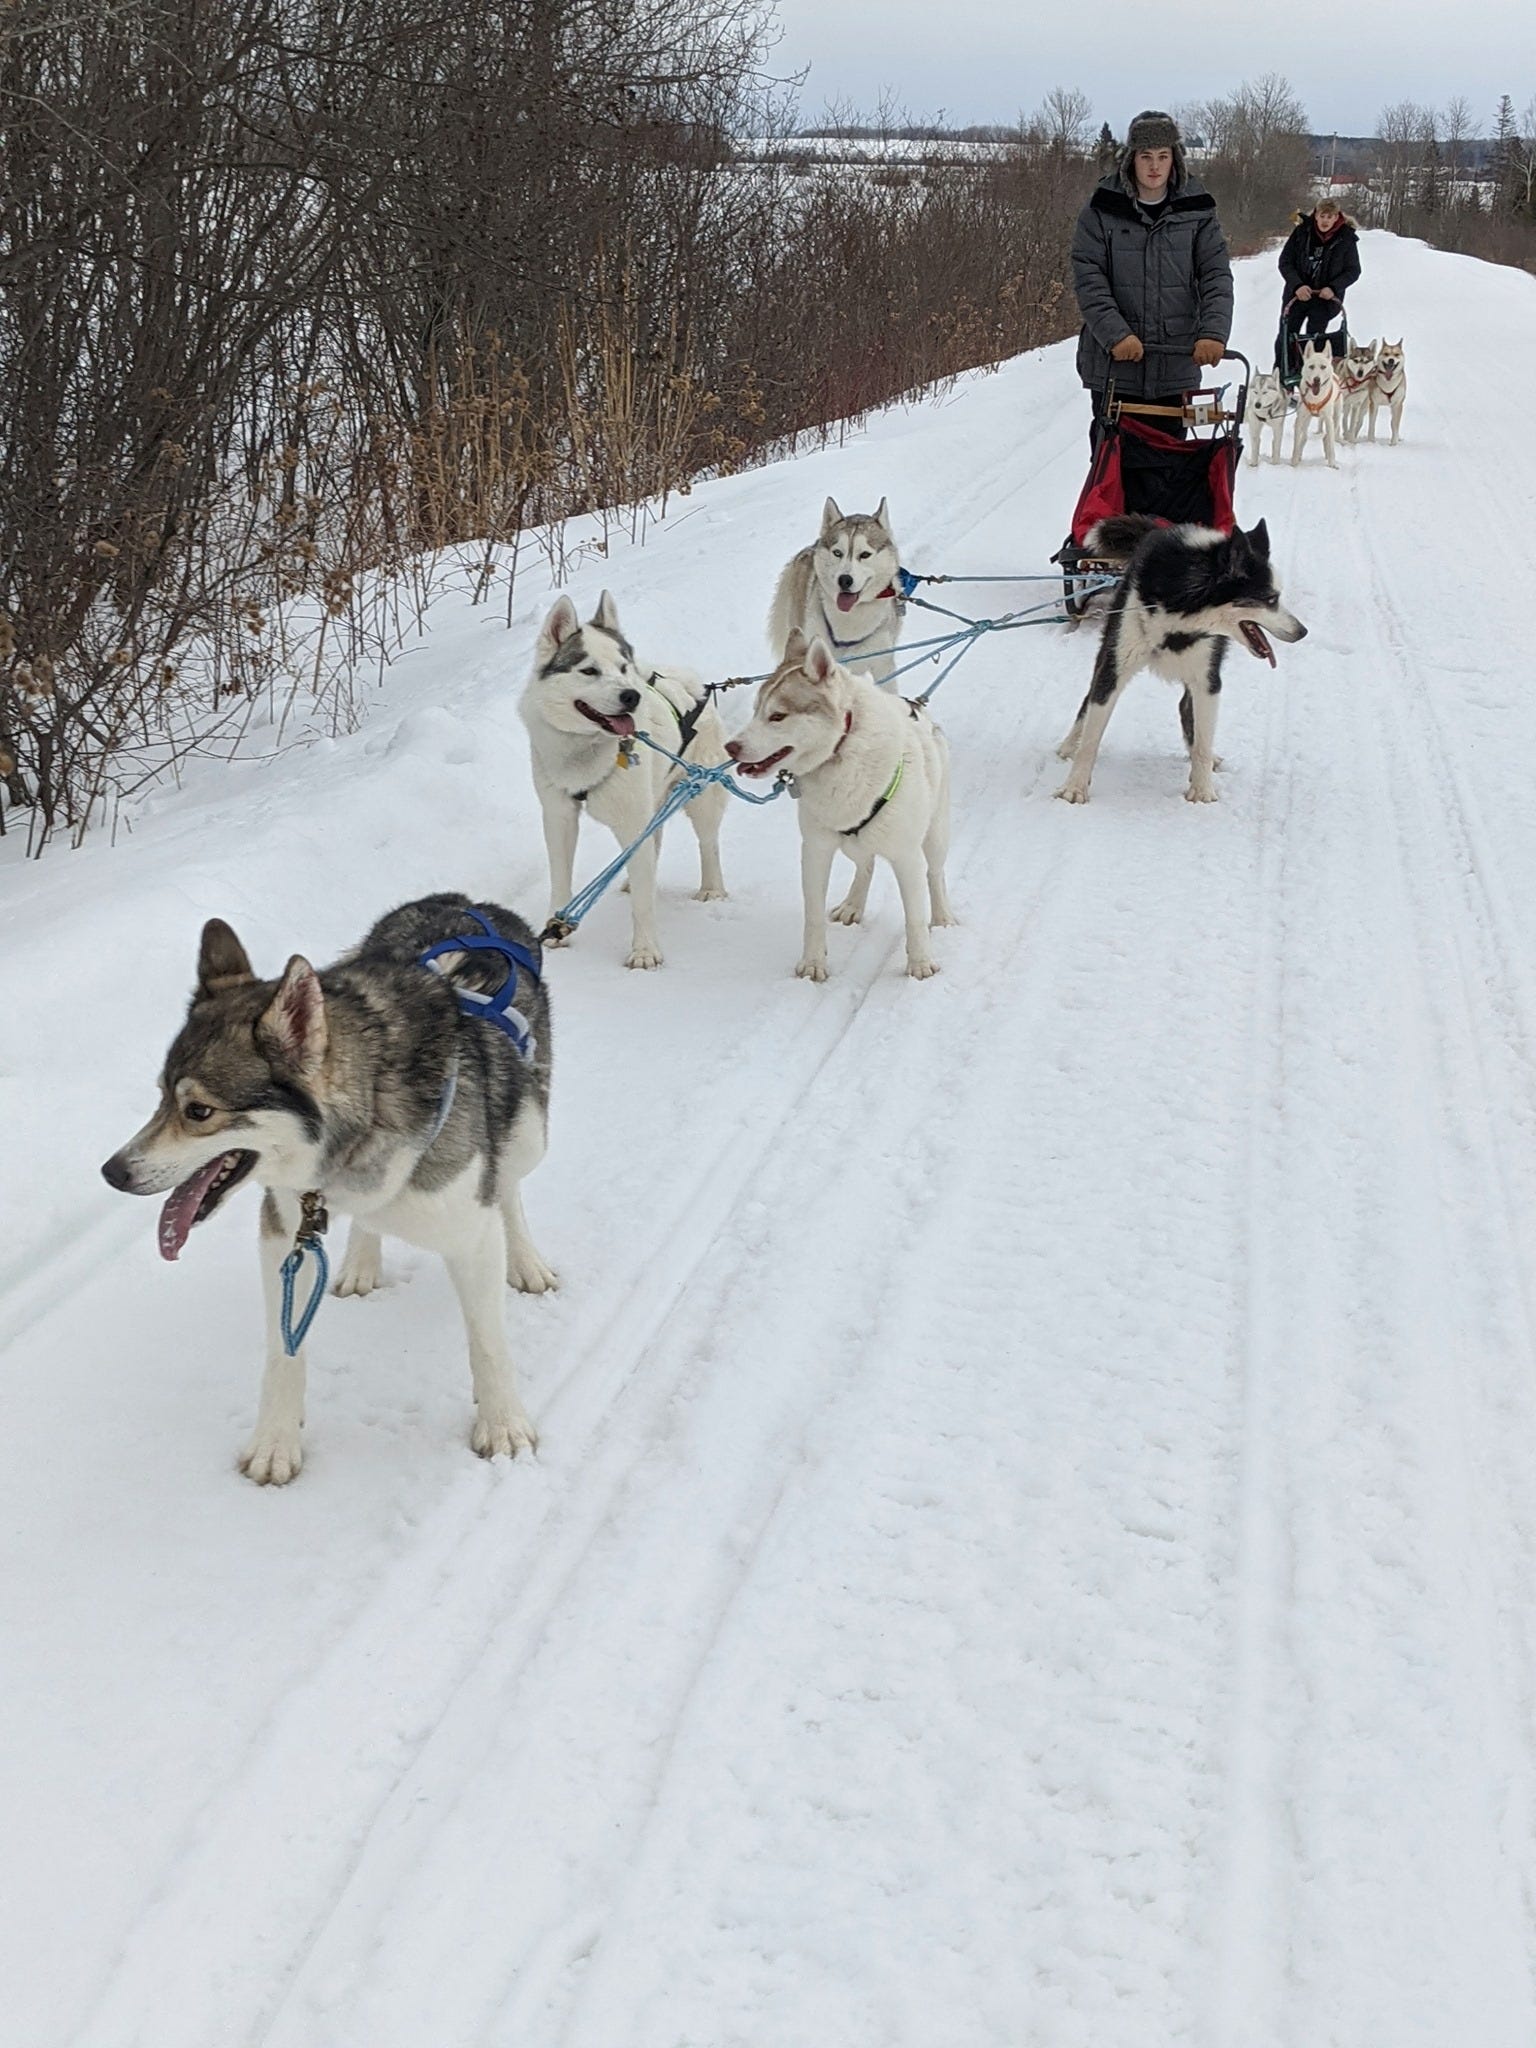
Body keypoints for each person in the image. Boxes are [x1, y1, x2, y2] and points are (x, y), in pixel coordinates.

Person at [1071, 109, 1234, 445]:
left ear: (1175, 159)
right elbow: (1089, 278)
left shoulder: (1197, 208)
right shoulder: (1102, 208)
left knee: (1166, 470)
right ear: (1131, 159)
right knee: (1112, 471)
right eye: (1146, 156)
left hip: (1174, 365)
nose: (1155, 167)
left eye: (1163, 156)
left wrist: (1213, 333)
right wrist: (1116, 336)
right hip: (1114, 368)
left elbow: (1215, 276)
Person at [1276, 197, 1361, 378]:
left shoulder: (1346, 238)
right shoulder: (1301, 232)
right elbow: (1285, 262)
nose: (1325, 221)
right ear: (1315, 215)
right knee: (1285, 337)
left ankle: (1311, 378)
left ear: (1337, 217)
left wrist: (1333, 287)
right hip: (1296, 295)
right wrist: (1297, 285)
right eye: (1322, 216)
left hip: (1325, 300)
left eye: (1330, 217)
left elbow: (1353, 270)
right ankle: (1283, 376)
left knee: (1314, 340)